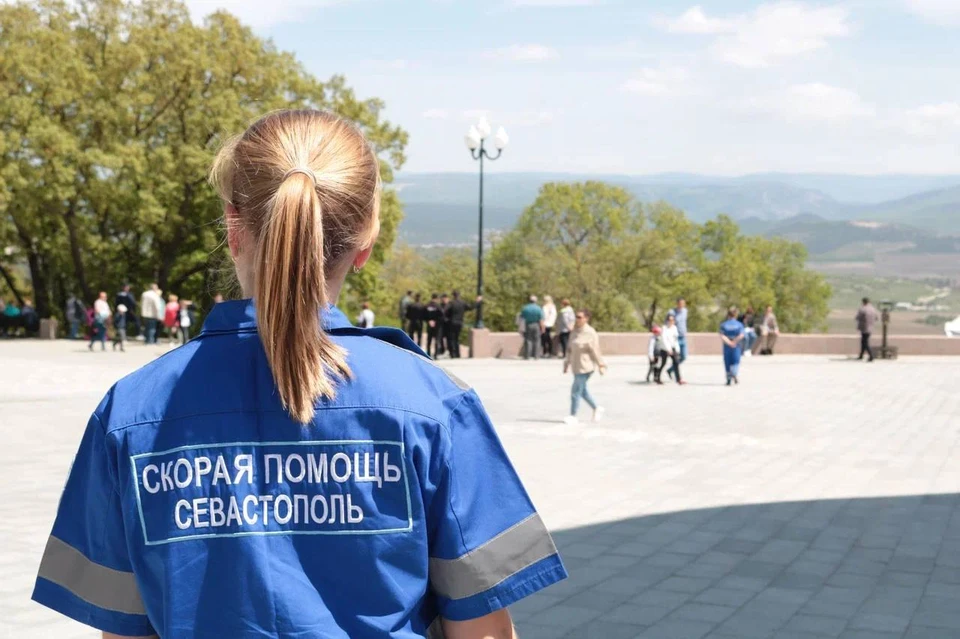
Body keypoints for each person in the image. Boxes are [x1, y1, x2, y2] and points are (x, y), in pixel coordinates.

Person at [32, 109, 565, 639]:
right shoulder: (433, 406)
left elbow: (122, 630)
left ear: (233, 227)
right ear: (365, 242)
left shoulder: (129, 414)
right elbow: (483, 631)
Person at [563, 309, 606, 425]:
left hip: (586, 366)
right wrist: (566, 363)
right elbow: (569, 349)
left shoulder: (590, 332)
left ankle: (573, 415)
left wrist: (601, 364)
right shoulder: (574, 332)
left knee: (575, 391)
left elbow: (595, 350)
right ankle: (596, 408)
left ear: (586, 318)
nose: (577, 319)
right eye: (576, 317)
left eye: (579, 317)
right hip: (576, 366)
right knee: (582, 391)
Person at [444, 290, 478, 359]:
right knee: (457, 338)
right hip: (460, 323)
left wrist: (447, 319)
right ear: (459, 295)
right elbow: (471, 307)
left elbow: (444, 311)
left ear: (453, 296)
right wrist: (477, 302)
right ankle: (457, 354)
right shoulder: (463, 303)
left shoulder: (451, 303)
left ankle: (453, 354)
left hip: (452, 323)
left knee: (452, 339)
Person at [719, 306, 745, 386]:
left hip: (727, 346)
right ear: (736, 315)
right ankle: (734, 373)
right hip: (736, 345)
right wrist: (734, 342)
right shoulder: (739, 324)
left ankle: (728, 378)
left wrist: (729, 342)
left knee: (727, 361)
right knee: (735, 361)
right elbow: (741, 335)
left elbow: (722, 335)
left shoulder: (723, 324)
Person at [657, 312, 684, 385]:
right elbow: (664, 339)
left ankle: (679, 379)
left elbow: (675, 339)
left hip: (673, 348)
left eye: (672, 320)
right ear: (667, 320)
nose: (671, 321)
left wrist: (677, 349)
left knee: (676, 363)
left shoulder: (674, 328)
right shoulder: (664, 328)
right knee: (663, 363)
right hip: (665, 349)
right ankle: (657, 377)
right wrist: (668, 349)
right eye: (670, 320)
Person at [668, 298, 688, 380]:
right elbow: (668, 323)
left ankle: (671, 369)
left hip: (683, 337)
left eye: (683, 303)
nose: (682, 305)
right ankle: (678, 378)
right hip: (675, 337)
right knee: (675, 358)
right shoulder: (672, 312)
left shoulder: (685, 311)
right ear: (677, 303)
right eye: (680, 303)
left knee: (683, 357)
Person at [520, 295, 544, 360]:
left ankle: (527, 356)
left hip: (528, 325)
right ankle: (536, 356)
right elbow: (541, 319)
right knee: (537, 340)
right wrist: (543, 328)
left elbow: (522, 318)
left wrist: (521, 328)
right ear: (535, 301)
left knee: (528, 340)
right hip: (536, 325)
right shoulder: (539, 308)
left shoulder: (525, 308)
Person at [856, 297, 879, 362]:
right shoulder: (873, 309)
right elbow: (876, 318)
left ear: (863, 302)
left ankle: (871, 356)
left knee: (865, 342)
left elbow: (858, 317)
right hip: (871, 327)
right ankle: (861, 355)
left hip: (864, 327)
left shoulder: (862, 309)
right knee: (863, 342)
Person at [424, 293, 443, 358]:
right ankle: (436, 354)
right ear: (437, 298)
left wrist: (429, 321)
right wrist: (436, 321)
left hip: (429, 325)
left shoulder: (427, 305)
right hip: (437, 325)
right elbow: (442, 315)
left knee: (429, 340)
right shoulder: (438, 306)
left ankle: (428, 354)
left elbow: (423, 315)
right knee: (437, 340)